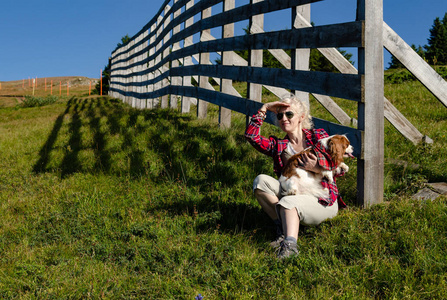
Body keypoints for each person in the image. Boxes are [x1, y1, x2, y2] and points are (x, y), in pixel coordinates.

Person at [244, 94, 347, 259]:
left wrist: (317, 167)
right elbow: (251, 136)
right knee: (260, 182)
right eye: (280, 115)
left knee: (288, 201)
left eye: (289, 114)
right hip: (294, 192)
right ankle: (283, 230)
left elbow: (340, 169)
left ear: (301, 117)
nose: (284, 118)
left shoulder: (318, 137)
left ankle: (290, 246)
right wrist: (264, 109)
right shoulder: (279, 145)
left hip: (322, 200)